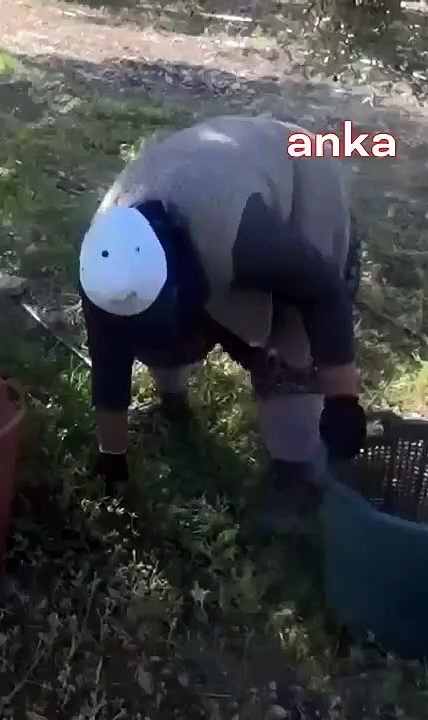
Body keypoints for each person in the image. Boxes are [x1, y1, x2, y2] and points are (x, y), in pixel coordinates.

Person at [77, 115, 367, 536]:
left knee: (288, 349)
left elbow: (323, 291)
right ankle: (173, 398)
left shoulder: (248, 247)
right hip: (208, 175)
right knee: (160, 333)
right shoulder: (102, 271)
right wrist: (112, 459)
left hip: (298, 169)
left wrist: (343, 403)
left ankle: (297, 473)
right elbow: (109, 369)